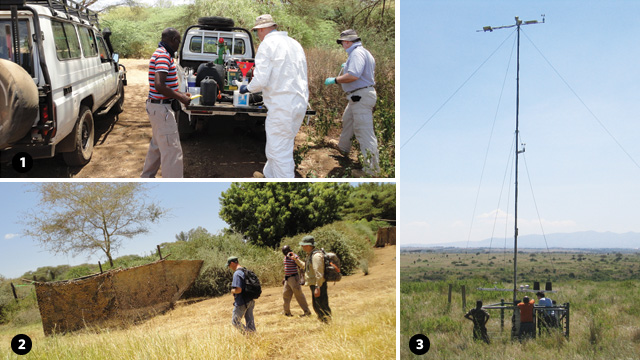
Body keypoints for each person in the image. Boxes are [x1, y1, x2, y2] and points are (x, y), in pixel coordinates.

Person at [239, 14, 309, 178]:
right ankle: (269, 176)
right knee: (280, 147)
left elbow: (260, 80)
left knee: (279, 152)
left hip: (282, 106)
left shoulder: (267, 44)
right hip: (298, 103)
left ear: (262, 29)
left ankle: (285, 189)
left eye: (257, 32)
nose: (258, 36)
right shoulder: (294, 43)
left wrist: (247, 88)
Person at [324, 29, 379, 176]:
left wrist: (335, 79)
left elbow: (353, 76)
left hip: (360, 96)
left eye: (342, 42)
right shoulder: (362, 52)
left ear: (347, 42)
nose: (342, 45)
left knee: (364, 132)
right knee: (347, 119)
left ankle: (371, 171)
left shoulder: (357, 53)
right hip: (357, 96)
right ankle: (343, 148)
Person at [141, 28, 191, 178]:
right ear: (173, 40)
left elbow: (164, 85)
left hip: (157, 108)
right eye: (179, 41)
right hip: (161, 109)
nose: (179, 45)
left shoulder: (162, 54)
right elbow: (159, 85)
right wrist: (181, 98)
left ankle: (147, 177)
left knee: (157, 146)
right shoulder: (163, 56)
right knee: (172, 151)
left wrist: (179, 94)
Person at [293, 236, 331, 322]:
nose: (302, 247)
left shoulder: (316, 256)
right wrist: (296, 260)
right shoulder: (310, 255)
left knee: (321, 305)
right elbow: (306, 267)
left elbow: (319, 273)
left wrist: (318, 287)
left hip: (318, 284)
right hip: (315, 284)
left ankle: (327, 322)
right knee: (317, 305)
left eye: (303, 245)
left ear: (308, 245)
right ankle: (324, 321)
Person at [281, 245, 312, 317]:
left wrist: (302, 278)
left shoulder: (294, 256)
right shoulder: (285, 257)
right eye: (283, 251)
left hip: (294, 278)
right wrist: (284, 278)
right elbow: (286, 268)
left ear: (289, 250)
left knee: (299, 295)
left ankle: (307, 312)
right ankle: (287, 312)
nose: (284, 253)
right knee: (285, 295)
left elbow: (300, 267)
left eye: (286, 251)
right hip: (287, 279)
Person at [227, 256, 256, 333]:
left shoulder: (237, 274)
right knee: (250, 321)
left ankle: (248, 334)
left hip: (242, 302)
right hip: (250, 300)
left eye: (229, 266)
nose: (230, 268)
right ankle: (253, 336)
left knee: (235, 321)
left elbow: (238, 290)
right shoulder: (245, 270)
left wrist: (232, 291)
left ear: (232, 263)